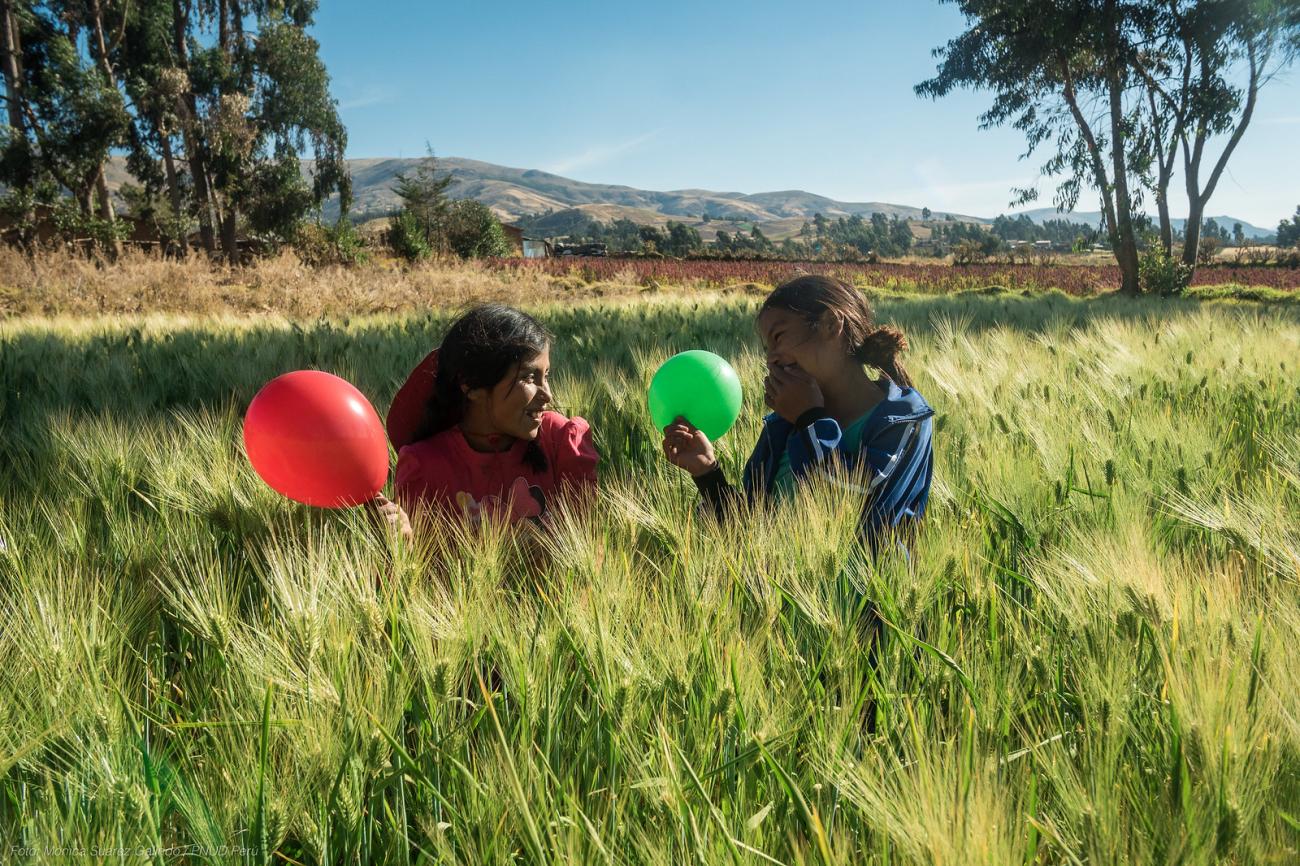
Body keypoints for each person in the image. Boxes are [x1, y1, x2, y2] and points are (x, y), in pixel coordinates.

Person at [661, 275, 934, 548]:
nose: (771, 358)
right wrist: (708, 473)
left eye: (778, 337)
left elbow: (850, 501)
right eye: (767, 348)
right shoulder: (784, 425)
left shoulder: (904, 422)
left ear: (830, 324)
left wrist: (809, 420)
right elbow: (750, 530)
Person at [374, 304, 598, 536]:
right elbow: (418, 568)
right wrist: (400, 540)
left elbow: (589, 543)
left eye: (546, 375)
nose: (548, 395)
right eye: (529, 377)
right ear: (471, 384)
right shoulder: (427, 467)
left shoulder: (560, 442)